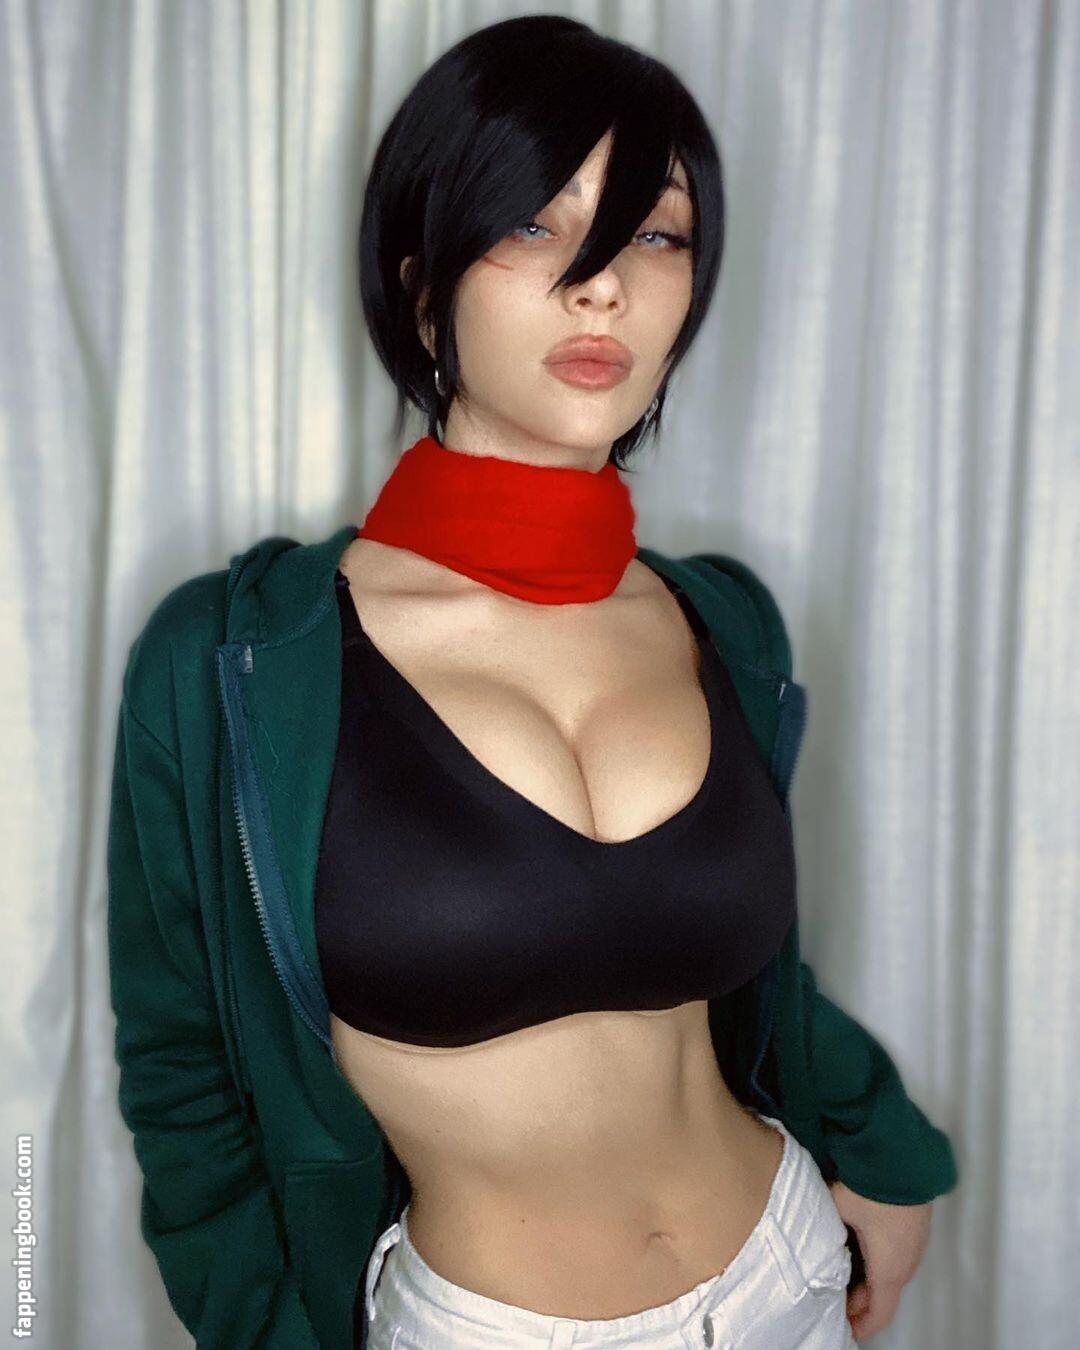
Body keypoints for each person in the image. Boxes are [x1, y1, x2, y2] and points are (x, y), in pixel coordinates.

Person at [106, 15, 958, 1350]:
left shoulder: (723, 620)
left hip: (788, 1273)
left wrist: (881, 1145)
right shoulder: (237, 659)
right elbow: (185, 1079)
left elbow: (766, 977)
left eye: (654, 235)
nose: (602, 287)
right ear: (422, 285)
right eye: (531, 226)